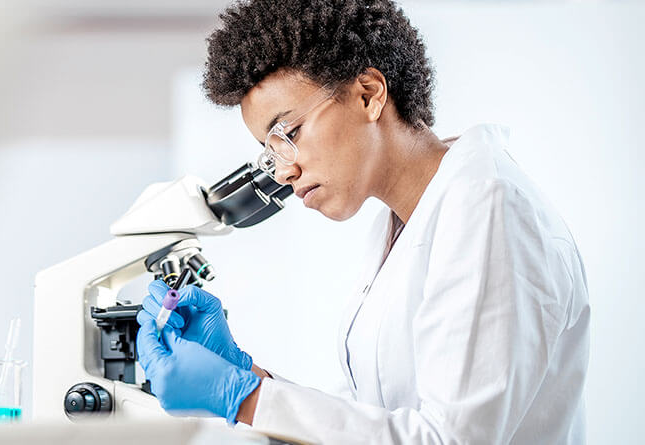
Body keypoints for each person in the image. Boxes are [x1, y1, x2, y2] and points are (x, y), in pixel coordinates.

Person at [134, 0, 590, 443]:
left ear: (369, 94)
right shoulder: (400, 225)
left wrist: (247, 400)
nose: (283, 170)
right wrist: (245, 374)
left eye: (288, 134)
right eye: (270, 152)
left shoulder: (489, 205)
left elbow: (451, 439)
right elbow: (373, 422)